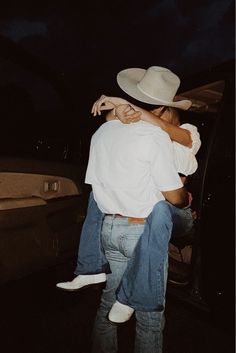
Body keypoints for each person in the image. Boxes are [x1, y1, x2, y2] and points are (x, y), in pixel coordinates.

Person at [57, 66, 200, 353]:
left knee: (107, 305)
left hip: (111, 228)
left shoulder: (108, 131)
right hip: (144, 229)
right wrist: (187, 200)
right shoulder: (148, 135)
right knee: (148, 318)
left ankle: (90, 269)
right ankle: (119, 289)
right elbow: (174, 197)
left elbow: (181, 137)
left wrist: (121, 106)